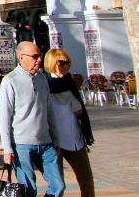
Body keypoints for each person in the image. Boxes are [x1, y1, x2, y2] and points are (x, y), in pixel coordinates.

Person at [0, 42, 64, 197]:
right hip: (21, 145)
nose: (39, 60)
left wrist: (56, 139)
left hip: (46, 143)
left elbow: (49, 112)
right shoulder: (10, 80)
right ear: (22, 57)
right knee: (29, 190)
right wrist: (7, 149)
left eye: (39, 55)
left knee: (58, 186)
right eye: (35, 56)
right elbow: (4, 117)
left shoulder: (42, 78)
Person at [45, 48, 94, 197]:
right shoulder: (44, 83)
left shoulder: (69, 82)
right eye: (61, 63)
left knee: (86, 180)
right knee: (57, 185)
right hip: (54, 141)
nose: (65, 66)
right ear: (51, 63)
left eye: (67, 63)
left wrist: (85, 133)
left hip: (75, 139)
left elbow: (80, 109)